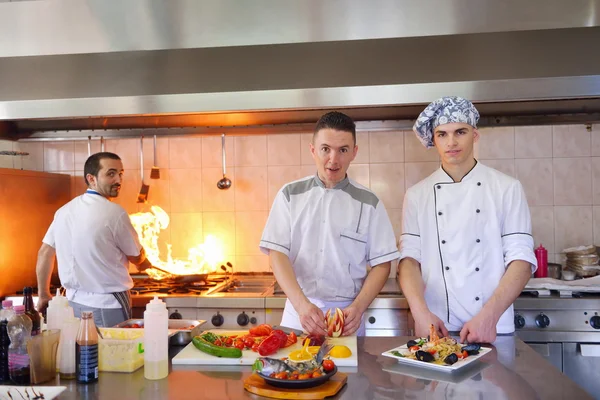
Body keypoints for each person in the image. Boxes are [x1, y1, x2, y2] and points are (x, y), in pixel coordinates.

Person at [398, 96, 537, 344]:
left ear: (475, 135)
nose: (451, 142)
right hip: (437, 328)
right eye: (442, 134)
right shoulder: (417, 195)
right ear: (434, 139)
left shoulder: (507, 188)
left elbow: (522, 260)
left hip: (491, 327)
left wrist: (489, 316)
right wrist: (420, 314)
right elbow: (409, 261)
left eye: (459, 132)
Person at [260, 111, 400, 336]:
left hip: (348, 316)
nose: (333, 159)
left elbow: (382, 264)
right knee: (294, 371)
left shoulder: (369, 202)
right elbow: (277, 254)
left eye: (343, 150)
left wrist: (358, 307)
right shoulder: (289, 195)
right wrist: (302, 306)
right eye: (325, 149)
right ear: (313, 149)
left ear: (354, 152)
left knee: (350, 372)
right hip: (299, 313)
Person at [36, 152, 153, 327]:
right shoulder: (115, 212)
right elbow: (136, 256)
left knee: (84, 353)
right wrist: (145, 264)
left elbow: (45, 253)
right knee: (112, 353)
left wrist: (44, 294)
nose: (118, 180)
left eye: (120, 174)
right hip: (107, 306)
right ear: (91, 179)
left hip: (72, 304)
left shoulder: (64, 211)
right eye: (110, 174)